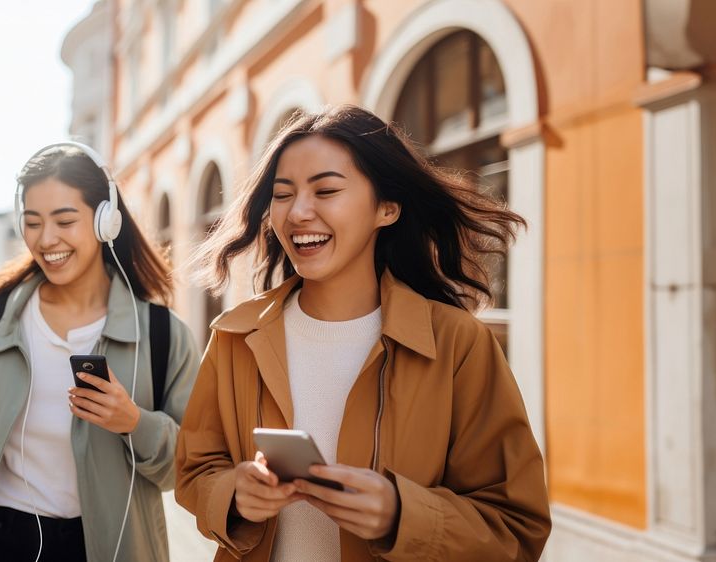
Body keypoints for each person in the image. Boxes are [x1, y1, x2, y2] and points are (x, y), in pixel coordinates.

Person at [175, 105, 551, 561]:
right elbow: (195, 471)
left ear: (387, 208)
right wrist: (235, 495)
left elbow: (518, 525)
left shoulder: (457, 343)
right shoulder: (235, 336)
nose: (298, 213)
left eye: (327, 190)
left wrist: (401, 516)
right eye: (282, 194)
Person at [0, 144, 201, 562]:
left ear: (104, 221)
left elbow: (188, 468)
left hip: (102, 550)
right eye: (33, 222)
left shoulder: (164, 336)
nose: (46, 239)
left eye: (64, 220)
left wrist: (134, 423)